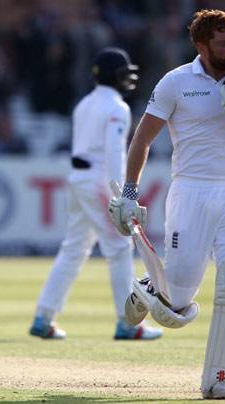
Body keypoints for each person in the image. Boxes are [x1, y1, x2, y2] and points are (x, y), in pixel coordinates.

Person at [108, 10, 225, 400]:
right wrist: (130, 193)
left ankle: (221, 378)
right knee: (177, 304)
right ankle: (151, 287)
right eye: (224, 43)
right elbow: (143, 138)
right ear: (202, 46)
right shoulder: (177, 82)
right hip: (191, 192)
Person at [29, 47, 162, 341]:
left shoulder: (84, 104)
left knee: (74, 249)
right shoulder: (117, 108)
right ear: (117, 76)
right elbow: (114, 153)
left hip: (78, 180)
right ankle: (127, 323)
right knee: (118, 249)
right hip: (99, 183)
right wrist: (121, 194)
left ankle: (43, 317)